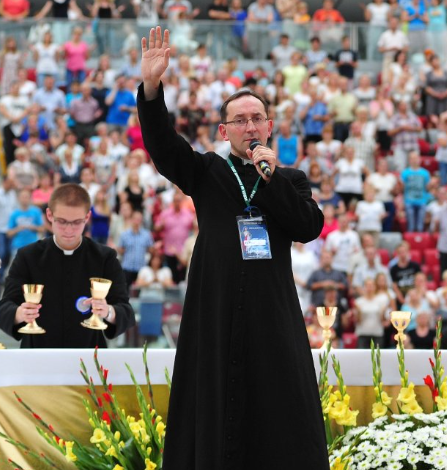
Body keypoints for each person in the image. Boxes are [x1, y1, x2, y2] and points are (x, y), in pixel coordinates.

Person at [137, 27, 327, 469]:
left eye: (257, 118)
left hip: (271, 313)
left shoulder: (290, 179)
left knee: (279, 407)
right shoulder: (206, 172)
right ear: (224, 131)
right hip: (216, 310)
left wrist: (271, 179)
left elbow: (308, 227)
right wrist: (151, 88)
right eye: (239, 120)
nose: (250, 126)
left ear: (269, 126)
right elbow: (164, 148)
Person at [0, 184, 135, 348]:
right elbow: (5, 307)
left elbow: (126, 312)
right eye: (62, 221)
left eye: (77, 222)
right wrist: (19, 314)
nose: (69, 230)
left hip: (89, 354)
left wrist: (108, 312)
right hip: (37, 354)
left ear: (87, 217)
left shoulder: (105, 257)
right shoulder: (27, 256)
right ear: (49, 215)